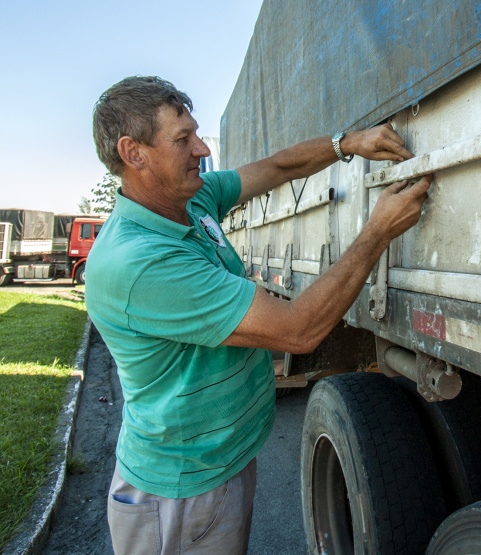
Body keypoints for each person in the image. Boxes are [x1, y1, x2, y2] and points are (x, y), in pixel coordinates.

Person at [86, 75, 431, 554]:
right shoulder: (140, 262)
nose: (201, 149)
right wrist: (377, 232)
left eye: (196, 133)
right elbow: (298, 331)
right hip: (182, 492)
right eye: (183, 140)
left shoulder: (192, 200)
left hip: (219, 463)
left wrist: (347, 143)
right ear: (133, 153)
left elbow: (275, 167)